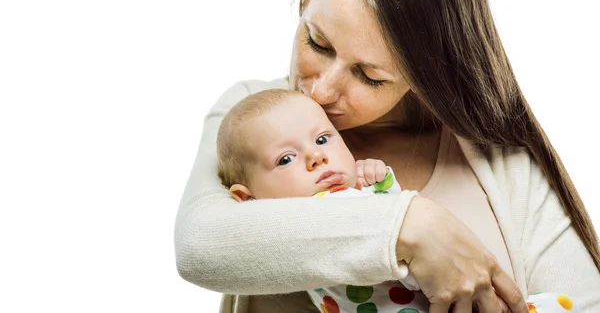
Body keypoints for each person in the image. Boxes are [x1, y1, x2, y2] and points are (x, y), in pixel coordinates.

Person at [174, 0, 600, 312]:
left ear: (428, 73)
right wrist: (410, 227)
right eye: (317, 43)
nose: (320, 92)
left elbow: (585, 302)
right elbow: (199, 247)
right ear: (305, 2)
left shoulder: (496, 157)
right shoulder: (251, 115)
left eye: (369, 76)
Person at [215, 88, 583, 313]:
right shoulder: (276, 224)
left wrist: (379, 180)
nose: (316, 157)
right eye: (285, 159)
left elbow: (398, 214)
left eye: (324, 140)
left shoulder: (352, 191)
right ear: (246, 198)